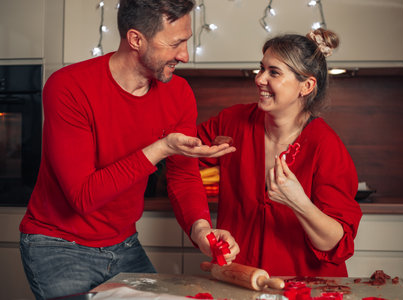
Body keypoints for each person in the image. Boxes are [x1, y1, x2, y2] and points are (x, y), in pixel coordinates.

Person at [19, 1, 238, 299]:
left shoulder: (179, 93)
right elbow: (84, 197)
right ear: (136, 39)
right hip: (58, 245)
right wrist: (160, 148)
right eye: (176, 43)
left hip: (124, 245)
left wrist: (201, 229)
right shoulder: (69, 87)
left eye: (186, 42)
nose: (185, 56)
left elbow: (183, 176)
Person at [174, 29, 362, 277]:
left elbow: (333, 243)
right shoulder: (232, 122)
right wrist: (201, 228)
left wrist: (299, 202)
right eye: (261, 68)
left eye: (273, 72)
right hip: (241, 280)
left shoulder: (326, 146)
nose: (259, 79)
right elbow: (180, 160)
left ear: (306, 85)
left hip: (303, 287)